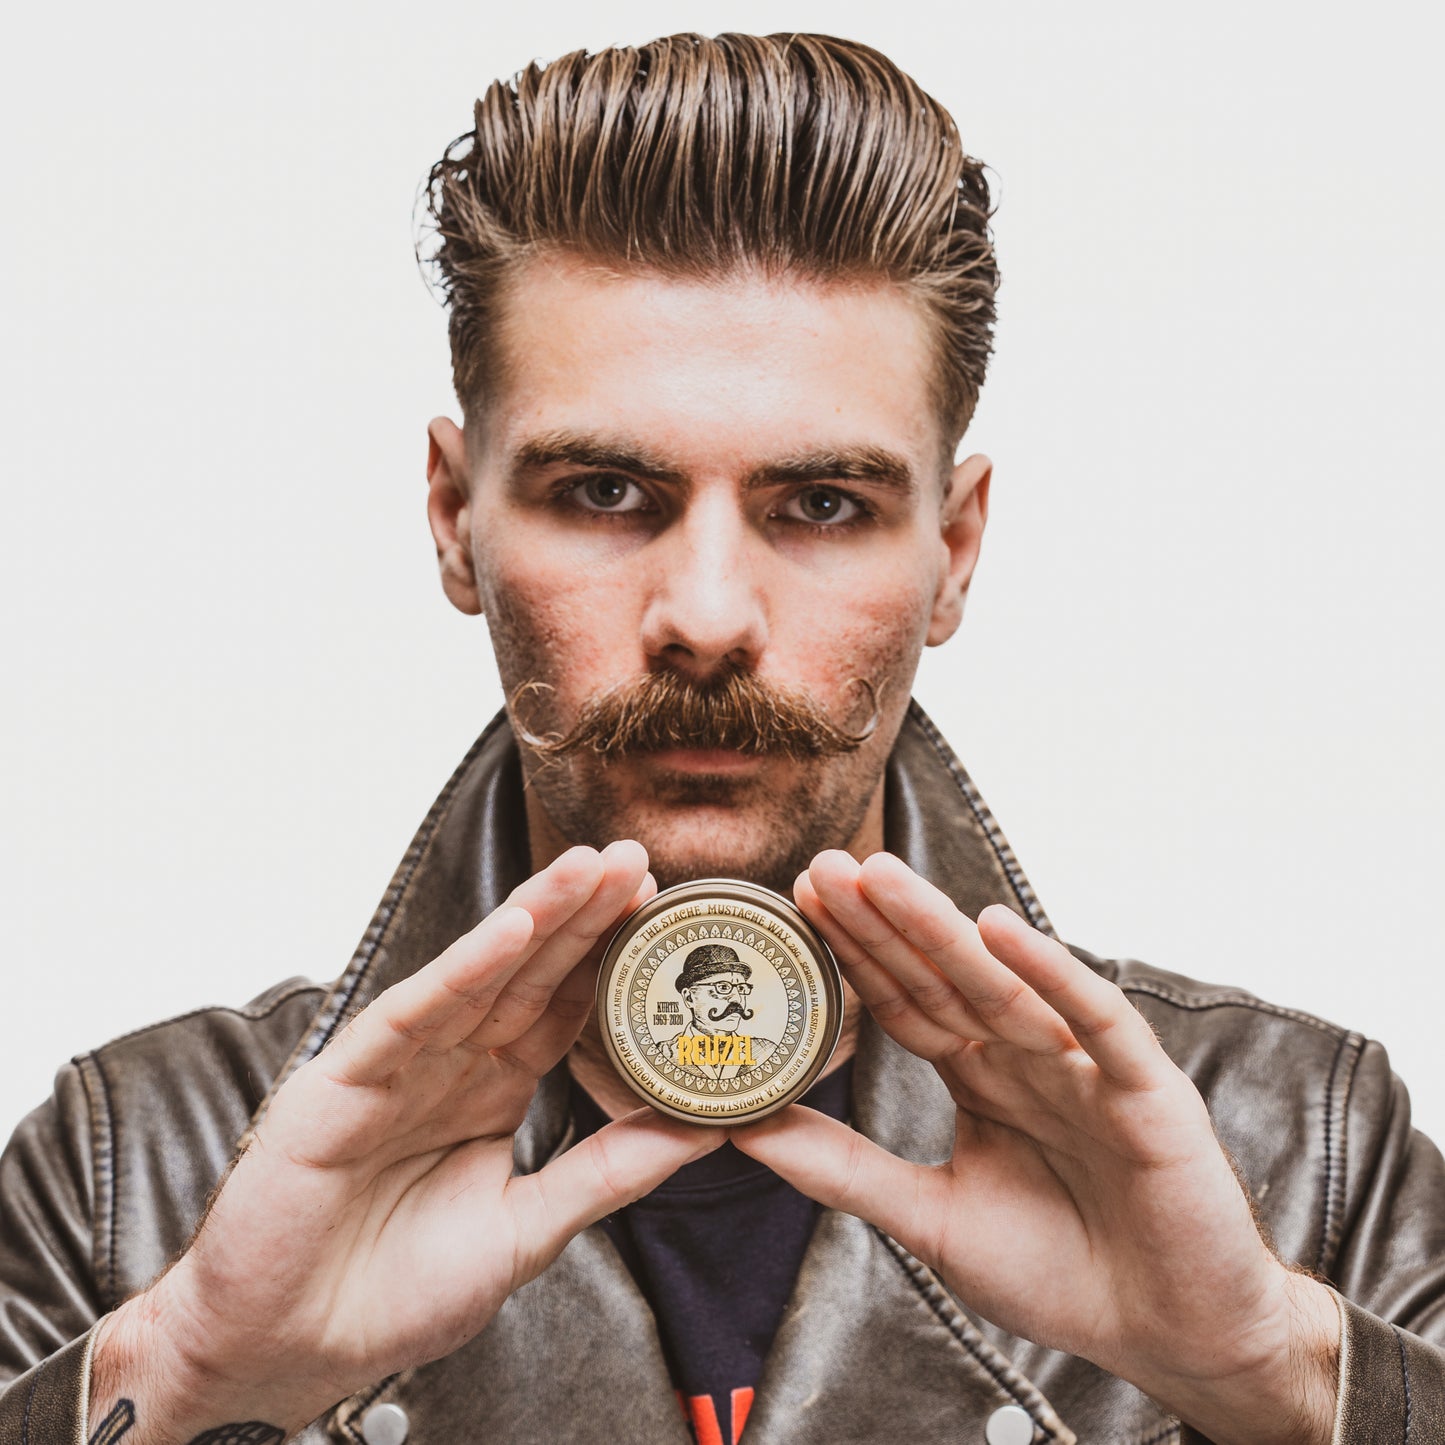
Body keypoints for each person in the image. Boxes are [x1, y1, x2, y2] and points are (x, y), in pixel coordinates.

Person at [2, 30, 1442, 1445]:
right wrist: (186, 1370)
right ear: (453, 517)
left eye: (820, 504)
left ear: (952, 550)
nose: (704, 615)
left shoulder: (1301, 1149)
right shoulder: (132, 1173)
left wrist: (1276, 1371)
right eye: (603, 491)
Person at [669, 945, 780, 1078]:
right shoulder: (664, 1054)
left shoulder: (766, 1052)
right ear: (689, 997)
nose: (737, 999)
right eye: (723, 987)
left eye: (741, 988)